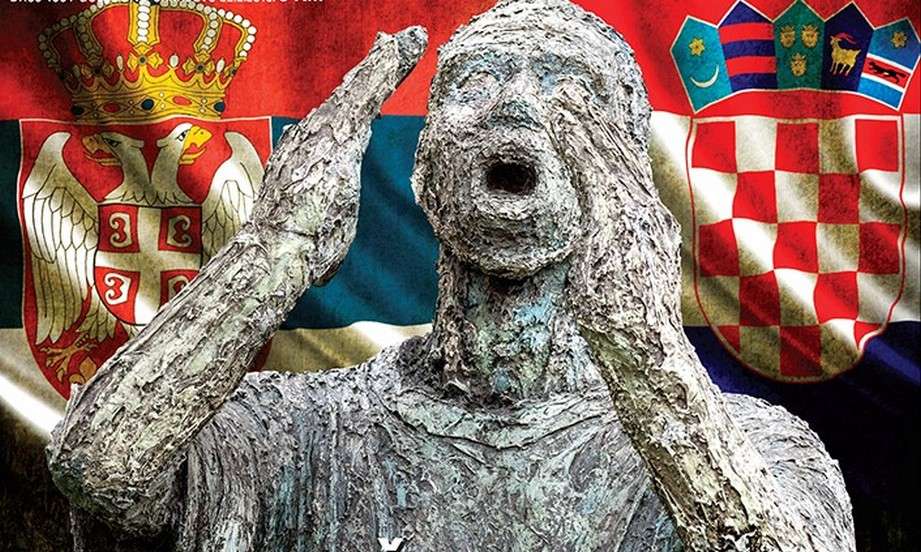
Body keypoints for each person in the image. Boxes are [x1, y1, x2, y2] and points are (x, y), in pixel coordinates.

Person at [47, 1, 855, 550]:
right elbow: (100, 470)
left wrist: (643, 345)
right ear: (424, 173)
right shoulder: (295, 433)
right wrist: (270, 254)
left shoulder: (749, 447)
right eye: (476, 84)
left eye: (572, 93)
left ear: (627, 183)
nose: (515, 106)